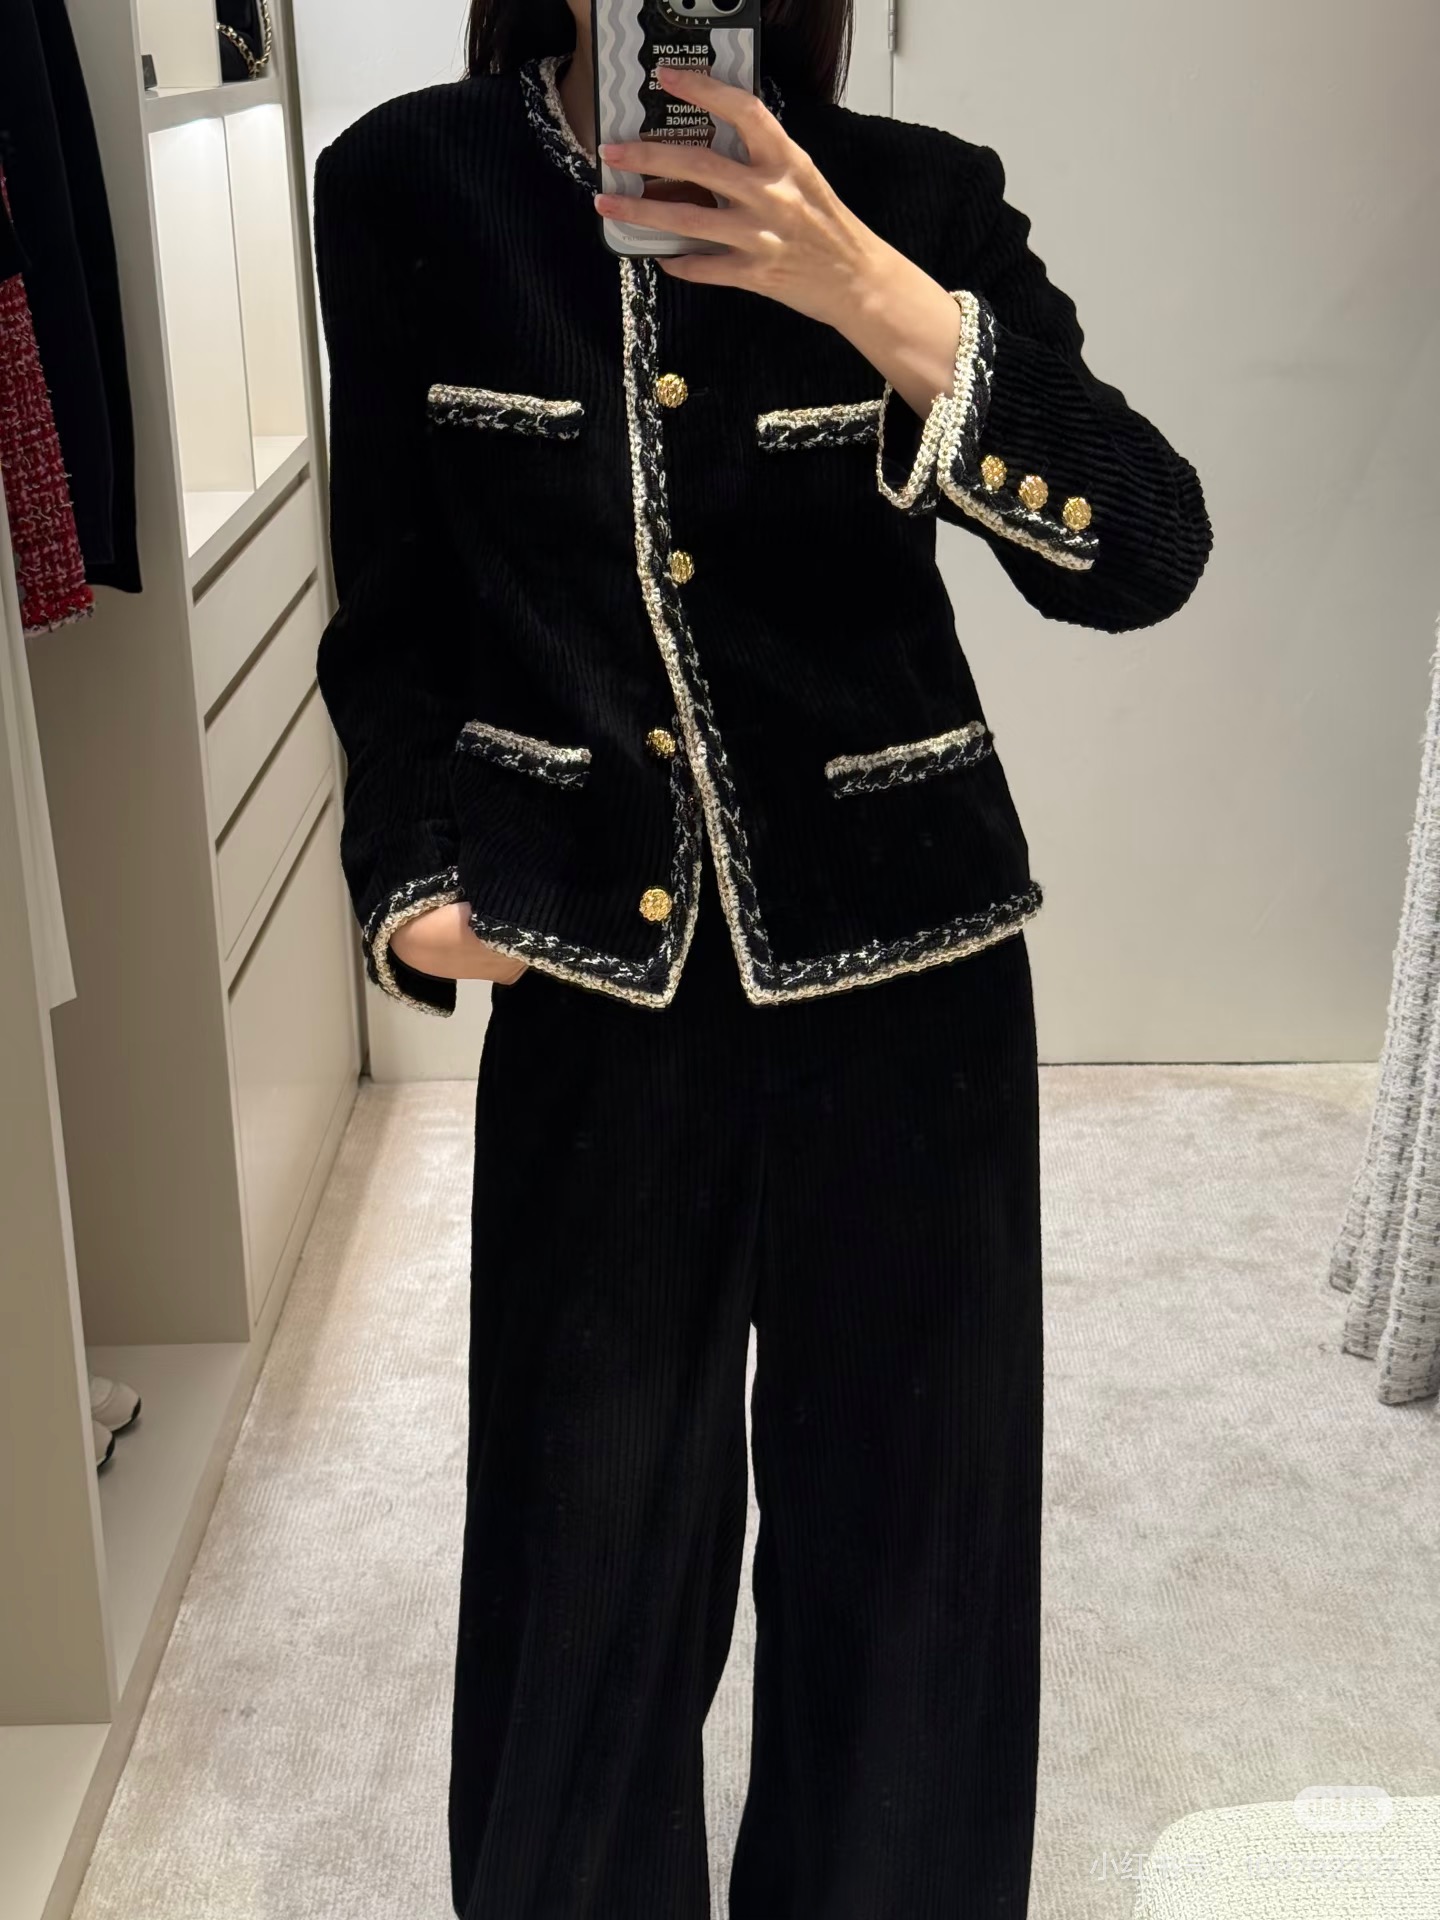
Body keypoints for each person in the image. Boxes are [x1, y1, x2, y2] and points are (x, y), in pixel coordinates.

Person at [310, 2, 1212, 1914]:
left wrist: (868, 290)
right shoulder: (408, 186)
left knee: (910, 1548)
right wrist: (410, 875)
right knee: (580, 1556)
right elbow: (390, 598)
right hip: (591, 980)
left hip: (908, 976)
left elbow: (1145, 550)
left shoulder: (912, 198)